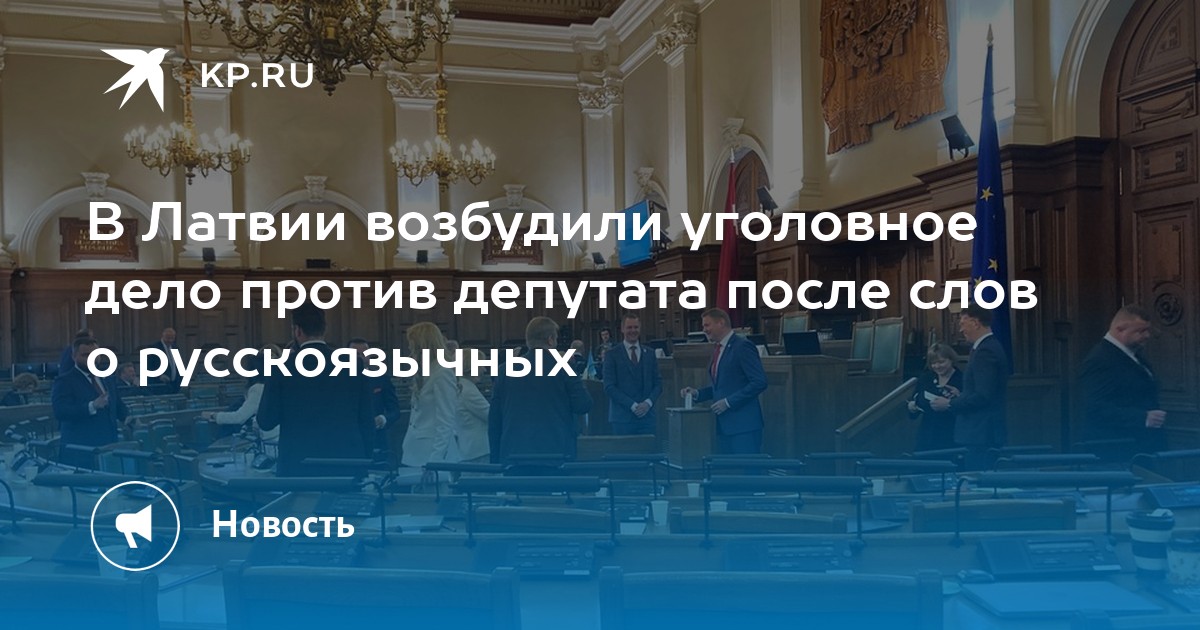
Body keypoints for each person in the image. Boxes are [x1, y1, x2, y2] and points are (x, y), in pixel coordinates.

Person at [256, 303, 375, 476]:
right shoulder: (353, 364)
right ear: (324, 330)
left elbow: (266, 421)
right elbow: (366, 419)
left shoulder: (280, 367)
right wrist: (365, 459)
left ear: (297, 331)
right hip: (346, 465)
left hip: (298, 466)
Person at [489, 316, 591, 463]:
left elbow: (495, 419)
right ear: (550, 340)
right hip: (556, 454)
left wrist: (495, 459)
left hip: (514, 454)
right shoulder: (564, 367)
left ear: (528, 341)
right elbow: (583, 404)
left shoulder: (504, 370)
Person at [1080, 305, 1166, 457]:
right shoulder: (1100, 359)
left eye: (1148, 330)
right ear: (1120, 329)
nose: (1147, 335)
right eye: (1141, 331)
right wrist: (1143, 418)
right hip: (1120, 448)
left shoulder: (1134, 355)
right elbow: (1094, 408)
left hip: (1142, 445)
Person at [931, 304, 1009, 470]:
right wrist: (961, 396)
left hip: (981, 432)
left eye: (962, 324)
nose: (961, 330)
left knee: (977, 479)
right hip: (982, 432)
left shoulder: (985, 351)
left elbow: (983, 396)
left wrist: (950, 404)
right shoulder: (986, 347)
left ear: (975, 323)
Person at [679, 308, 768, 454]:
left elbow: (759, 382)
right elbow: (721, 387)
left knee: (747, 467)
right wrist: (697, 394)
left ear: (721, 323)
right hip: (724, 426)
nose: (704, 330)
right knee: (726, 467)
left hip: (743, 427)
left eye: (707, 325)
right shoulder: (718, 349)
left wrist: (728, 402)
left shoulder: (742, 346)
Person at [51, 337, 128, 468]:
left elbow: (117, 404)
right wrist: (92, 406)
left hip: (108, 448)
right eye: (86, 355)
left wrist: (127, 417)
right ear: (74, 357)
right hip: (80, 452)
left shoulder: (107, 377)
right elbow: (60, 411)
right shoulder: (64, 381)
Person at [401, 323, 459, 479]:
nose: (409, 348)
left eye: (412, 344)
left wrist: (435, 460)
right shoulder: (425, 372)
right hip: (415, 452)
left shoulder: (442, 373)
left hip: (433, 454)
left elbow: (446, 421)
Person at [603, 313, 663, 435]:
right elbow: (609, 387)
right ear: (622, 329)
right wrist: (632, 405)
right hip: (622, 420)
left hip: (647, 419)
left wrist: (648, 403)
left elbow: (658, 384)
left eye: (636, 327)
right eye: (629, 327)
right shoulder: (612, 355)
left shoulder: (650, 354)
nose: (633, 330)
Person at [348, 337, 402, 461]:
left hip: (377, 440)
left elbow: (394, 410)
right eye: (355, 354)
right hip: (350, 440)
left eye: (364, 354)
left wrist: (383, 419)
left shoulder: (381, 378)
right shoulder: (338, 379)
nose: (360, 358)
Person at [907, 343, 963, 452]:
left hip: (952, 435)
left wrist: (957, 398)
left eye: (941, 362)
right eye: (933, 363)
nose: (937, 366)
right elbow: (916, 401)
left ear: (951, 360)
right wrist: (912, 408)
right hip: (927, 435)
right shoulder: (926, 378)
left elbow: (969, 406)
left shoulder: (962, 379)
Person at [455, 348, 491, 465]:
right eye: (481, 365)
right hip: (478, 452)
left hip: (467, 450)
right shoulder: (468, 390)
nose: (484, 369)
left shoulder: (459, 386)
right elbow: (490, 416)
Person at [147, 327, 182, 392]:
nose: (170, 340)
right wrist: (159, 376)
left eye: (172, 338)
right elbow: (149, 367)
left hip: (175, 385)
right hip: (160, 385)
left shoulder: (175, 348)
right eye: (168, 338)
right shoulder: (154, 348)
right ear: (163, 336)